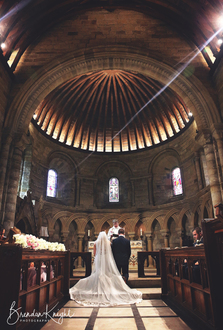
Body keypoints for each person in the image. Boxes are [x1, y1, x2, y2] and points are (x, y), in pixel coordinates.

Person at [69, 231, 142, 306]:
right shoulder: (109, 243)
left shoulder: (96, 243)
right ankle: (116, 284)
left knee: (99, 273)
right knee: (108, 273)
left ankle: (99, 285)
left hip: (99, 260)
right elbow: (110, 253)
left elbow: (95, 254)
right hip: (107, 260)